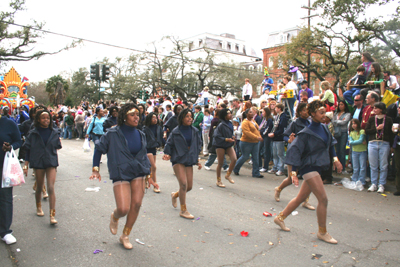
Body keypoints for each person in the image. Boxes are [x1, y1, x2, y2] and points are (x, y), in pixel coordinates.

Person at [275, 100, 342, 244]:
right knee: (323, 199)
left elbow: (331, 145)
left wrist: (336, 159)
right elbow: (294, 151)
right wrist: (293, 174)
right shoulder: (305, 133)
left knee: (300, 198)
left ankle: (279, 218)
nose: (324, 115)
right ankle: (322, 232)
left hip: (317, 167)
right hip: (309, 167)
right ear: (312, 114)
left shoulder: (324, 128)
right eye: (321, 112)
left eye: (325, 112)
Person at [90, 103, 151, 250]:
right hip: (121, 171)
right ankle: (115, 216)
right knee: (123, 208)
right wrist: (95, 169)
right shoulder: (112, 133)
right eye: (132, 114)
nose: (136, 117)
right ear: (124, 117)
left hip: (138, 171)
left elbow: (143, 155)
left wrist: (149, 175)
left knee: (136, 204)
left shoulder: (141, 134)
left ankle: (125, 235)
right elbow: (99, 149)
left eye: (137, 114)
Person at [23, 109, 62, 225]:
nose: (46, 120)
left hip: (51, 161)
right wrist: (26, 165)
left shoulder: (54, 132)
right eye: (43, 118)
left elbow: (58, 146)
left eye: (48, 118)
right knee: (39, 187)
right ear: (38, 120)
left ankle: (52, 215)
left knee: (50, 187)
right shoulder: (33, 133)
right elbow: (28, 150)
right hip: (38, 161)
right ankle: (38, 207)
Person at [163, 109, 202, 219]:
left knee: (189, 186)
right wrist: (167, 154)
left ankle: (175, 195)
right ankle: (183, 210)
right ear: (182, 118)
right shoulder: (176, 131)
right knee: (183, 184)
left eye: (191, 116)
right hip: (178, 158)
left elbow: (197, 145)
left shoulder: (194, 131)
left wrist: (197, 160)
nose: (190, 118)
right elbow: (169, 144)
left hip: (189, 159)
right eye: (187, 116)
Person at [275, 103, 315, 209]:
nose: (306, 112)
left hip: (306, 154)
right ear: (299, 112)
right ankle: (278, 189)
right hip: (294, 153)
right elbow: (284, 136)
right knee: (291, 178)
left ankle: (305, 201)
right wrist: (289, 140)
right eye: (304, 110)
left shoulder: (310, 123)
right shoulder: (295, 123)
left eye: (307, 110)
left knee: (309, 178)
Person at [0, 109, 22, 245]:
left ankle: (5, 231)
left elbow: (18, 141)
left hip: (4, 167)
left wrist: (10, 147)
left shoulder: (8, 123)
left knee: (5, 198)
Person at [365, 102, 393, 193]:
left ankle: (381, 184)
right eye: (374, 108)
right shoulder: (372, 119)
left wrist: (392, 145)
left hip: (384, 143)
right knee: (373, 165)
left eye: (376, 108)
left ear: (381, 109)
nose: (374, 110)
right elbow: (367, 131)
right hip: (373, 143)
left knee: (383, 165)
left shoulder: (388, 119)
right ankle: (374, 183)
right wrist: (376, 129)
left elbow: (391, 133)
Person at [233, 109, 264, 178]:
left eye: (252, 112)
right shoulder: (244, 122)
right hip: (246, 142)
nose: (252, 113)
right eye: (250, 112)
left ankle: (256, 173)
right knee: (245, 156)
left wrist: (259, 137)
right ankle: (235, 168)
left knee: (255, 157)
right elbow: (247, 132)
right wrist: (257, 137)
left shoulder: (253, 121)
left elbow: (257, 130)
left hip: (255, 142)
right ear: (246, 114)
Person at [212, 109, 237, 187]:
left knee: (234, 159)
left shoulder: (230, 123)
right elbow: (216, 136)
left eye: (230, 113)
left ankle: (228, 175)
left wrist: (232, 137)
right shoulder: (221, 124)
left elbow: (229, 133)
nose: (230, 115)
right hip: (220, 144)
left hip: (228, 144)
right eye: (228, 113)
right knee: (220, 163)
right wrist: (226, 139)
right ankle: (218, 181)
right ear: (224, 115)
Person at [142, 112, 163, 193]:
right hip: (146, 149)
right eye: (153, 118)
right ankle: (155, 184)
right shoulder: (145, 128)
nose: (155, 120)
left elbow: (161, 138)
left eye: (156, 118)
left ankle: (147, 180)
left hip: (154, 148)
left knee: (151, 167)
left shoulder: (158, 128)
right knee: (153, 167)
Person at [268, 103, 288, 176]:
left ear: (279, 108)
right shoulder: (278, 116)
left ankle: (281, 169)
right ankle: (275, 167)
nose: (275, 109)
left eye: (276, 108)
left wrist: (275, 134)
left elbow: (282, 129)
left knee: (280, 154)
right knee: (275, 154)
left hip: (279, 138)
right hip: (275, 138)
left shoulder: (283, 117)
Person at [332, 100, 351, 173]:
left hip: (343, 133)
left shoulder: (347, 114)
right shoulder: (336, 113)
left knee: (342, 150)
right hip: (336, 132)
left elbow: (344, 122)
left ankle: (342, 167)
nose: (340, 106)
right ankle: (337, 167)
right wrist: (338, 122)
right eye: (339, 104)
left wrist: (336, 122)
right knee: (337, 150)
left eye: (342, 104)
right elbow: (333, 121)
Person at [349, 119, 367, 188]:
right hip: (354, 151)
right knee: (355, 167)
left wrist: (353, 142)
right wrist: (354, 142)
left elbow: (360, 140)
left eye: (355, 124)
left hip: (362, 151)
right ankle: (354, 180)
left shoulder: (362, 131)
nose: (353, 125)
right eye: (352, 124)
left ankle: (361, 181)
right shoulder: (351, 132)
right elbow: (350, 142)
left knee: (362, 167)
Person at [258, 107, 274, 172]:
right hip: (262, 136)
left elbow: (267, 129)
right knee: (258, 150)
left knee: (266, 151)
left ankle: (265, 166)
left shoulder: (269, 120)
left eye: (263, 112)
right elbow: (261, 127)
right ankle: (259, 165)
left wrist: (262, 134)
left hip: (266, 137)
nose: (262, 113)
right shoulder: (264, 119)